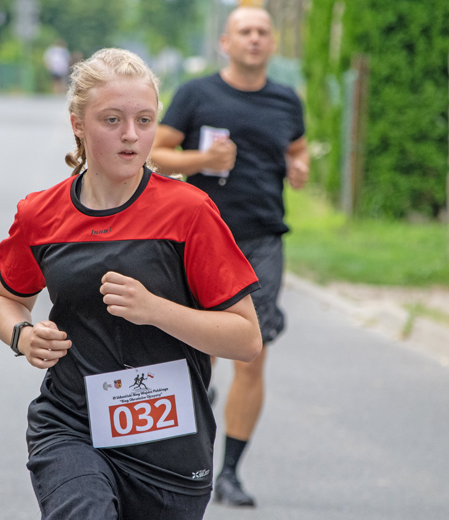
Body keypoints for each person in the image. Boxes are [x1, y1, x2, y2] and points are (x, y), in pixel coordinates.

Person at [0, 48, 263, 520]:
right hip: (72, 425)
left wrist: (156, 309)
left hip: (169, 447)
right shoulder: (41, 213)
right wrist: (23, 335)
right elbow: (6, 299)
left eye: (144, 119)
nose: (131, 135)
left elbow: (246, 338)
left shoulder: (189, 212)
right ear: (78, 123)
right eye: (112, 119)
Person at [149, 6, 310, 508]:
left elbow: (297, 150)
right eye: (246, 31)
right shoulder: (198, 94)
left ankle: (231, 474)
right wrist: (201, 161)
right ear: (226, 41)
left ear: (273, 43)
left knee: (252, 353)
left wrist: (299, 166)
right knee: (199, 349)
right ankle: (185, 454)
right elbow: (155, 151)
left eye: (263, 32)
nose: (255, 39)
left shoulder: (287, 100)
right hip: (202, 238)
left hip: (262, 239)